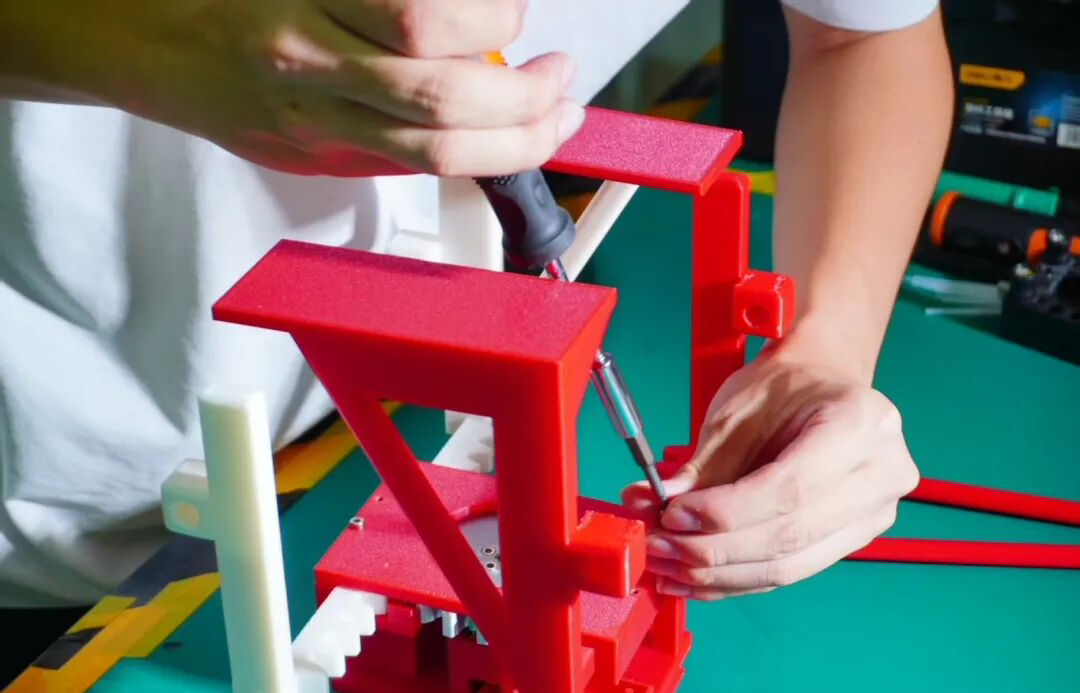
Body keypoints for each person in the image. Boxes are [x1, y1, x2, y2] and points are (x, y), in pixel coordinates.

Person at [0, 0, 952, 682]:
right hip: (48, 479)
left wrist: (827, 346)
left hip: (353, 428)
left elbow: (862, 35)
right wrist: (145, 34)